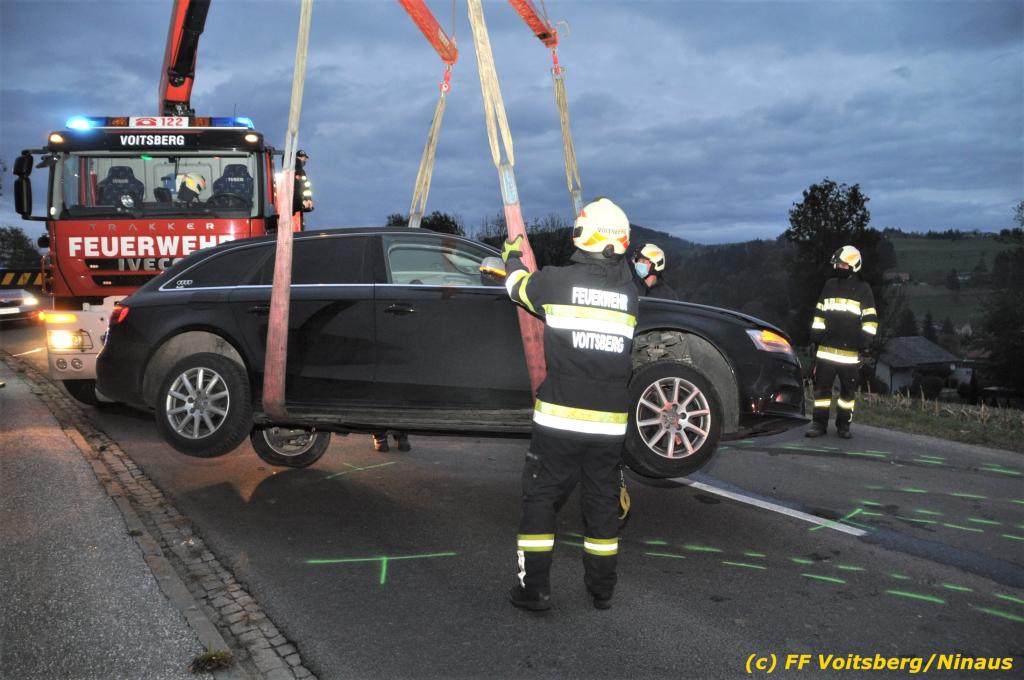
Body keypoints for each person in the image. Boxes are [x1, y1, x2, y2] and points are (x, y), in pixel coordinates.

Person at [502, 197, 639, 612]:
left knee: (541, 498)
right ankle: (602, 591)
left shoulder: (556, 282)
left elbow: (516, 287)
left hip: (560, 420)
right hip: (609, 426)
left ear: (582, 236)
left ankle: (534, 590)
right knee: (601, 504)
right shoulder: (629, 294)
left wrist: (512, 257)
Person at [807, 245, 878, 439]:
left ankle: (843, 426)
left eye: (843, 265)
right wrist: (815, 337)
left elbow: (870, 320)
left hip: (850, 355)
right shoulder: (829, 285)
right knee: (821, 392)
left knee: (847, 394)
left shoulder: (863, 289)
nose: (839, 267)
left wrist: (864, 343)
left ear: (854, 266)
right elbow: (819, 313)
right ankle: (818, 424)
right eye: (837, 264)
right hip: (826, 351)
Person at [293, 150, 314, 229]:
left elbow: (305, 188)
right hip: (296, 203)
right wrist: (304, 201)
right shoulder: (294, 171)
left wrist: (308, 199)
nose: (303, 160)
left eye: (304, 158)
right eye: (300, 158)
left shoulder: (302, 172)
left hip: (300, 204)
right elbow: (298, 189)